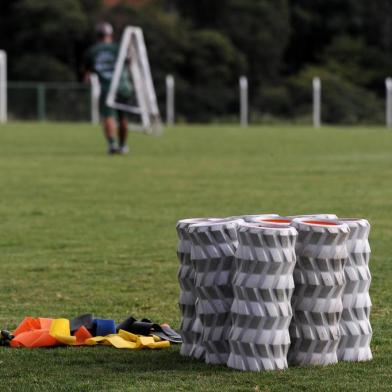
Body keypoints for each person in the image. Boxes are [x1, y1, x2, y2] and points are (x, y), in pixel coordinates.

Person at [84, 22, 132, 154]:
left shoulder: (92, 51)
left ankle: (112, 144)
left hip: (106, 87)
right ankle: (123, 146)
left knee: (108, 116)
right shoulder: (118, 48)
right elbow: (129, 63)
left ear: (98, 35)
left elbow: (87, 75)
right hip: (123, 87)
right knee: (123, 117)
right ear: (110, 34)